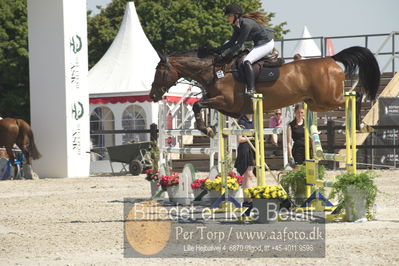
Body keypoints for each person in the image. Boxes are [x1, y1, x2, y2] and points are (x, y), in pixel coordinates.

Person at [213, 3, 275, 95]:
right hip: (259, 44)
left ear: (236, 16)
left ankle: (251, 88)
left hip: (266, 44)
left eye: (229, 16)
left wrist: (223, 54)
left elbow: (238, 45)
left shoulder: (246, 25)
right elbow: (231, 42)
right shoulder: (237, 25)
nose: (227, 18)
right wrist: (216, 49)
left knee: (246, 61)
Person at [234, 114, 257, 208]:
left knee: (248, 175)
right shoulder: (242, 121)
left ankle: (246, 199)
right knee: (248, 174)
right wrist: (252, 137)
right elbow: (239, 139)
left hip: (251, 148)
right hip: (245, 149)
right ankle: (248, 199)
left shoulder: (253, 122)